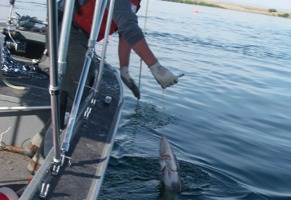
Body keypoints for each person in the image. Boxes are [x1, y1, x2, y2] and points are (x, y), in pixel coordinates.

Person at [26, 0, 180, 174]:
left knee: (74, 94)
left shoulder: (133, 3)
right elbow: (130, 29)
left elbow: (125, 31)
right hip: (69, 30)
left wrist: (124, 68)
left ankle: (35, 144)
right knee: (74, 97)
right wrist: (155, 67)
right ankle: (41, 164)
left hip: (79, 35)